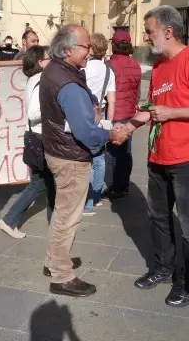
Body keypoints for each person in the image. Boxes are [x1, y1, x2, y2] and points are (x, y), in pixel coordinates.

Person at [120, 6, 189, 308]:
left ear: (167, 31)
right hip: (158, 156)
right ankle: (162, 269)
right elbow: (152, 109)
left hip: (187, 158)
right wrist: (126, 127)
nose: (144, 36)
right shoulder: (160, 67)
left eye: (148, 30)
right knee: (158, 218)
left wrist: (172, 113)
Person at [39, 24, 128, 297]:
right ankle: (62, 277)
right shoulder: (66, 82)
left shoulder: (55, 70)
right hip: (71, 158)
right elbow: (87, 133)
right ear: (68, 50)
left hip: (58, 151)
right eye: (86, 47)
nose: (90, 51)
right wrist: (111, 134)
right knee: (68, 216)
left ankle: (53, 261)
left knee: (62, 212)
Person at [0, 46, 56, 238]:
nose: (52, 61)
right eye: (49, 58)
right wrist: (55, 108)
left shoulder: (34, 79)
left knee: (44, 184)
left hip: (36, 137)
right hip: (39, 138)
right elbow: (33, 114)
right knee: (41, 185)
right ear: (41, 62)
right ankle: (11, 220)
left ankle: (11, 220)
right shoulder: (40, 80)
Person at [104, 30, 142, 200]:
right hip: (130, 113)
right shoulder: (136, 65)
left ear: (114, 45)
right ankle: (124, 185)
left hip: (115, 113)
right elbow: (138, 91)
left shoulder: (110, 65)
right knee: (126, 151)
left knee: (113, 152)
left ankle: (115, 187)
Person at [82, 33, 116, 216]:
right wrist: (108, 122)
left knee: (84, 159)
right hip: (101, 113)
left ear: (91, 48)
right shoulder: (109, 71)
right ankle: (95, 197)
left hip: (84, 113)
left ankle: (86, 203)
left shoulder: (84, 68)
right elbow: (112, 100)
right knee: (99, 159)